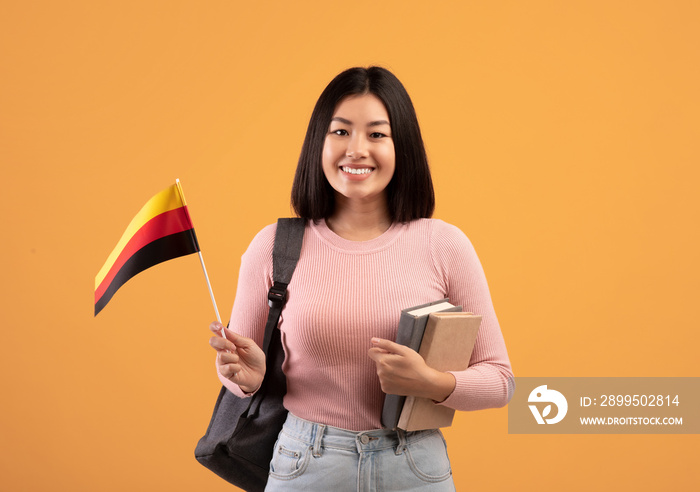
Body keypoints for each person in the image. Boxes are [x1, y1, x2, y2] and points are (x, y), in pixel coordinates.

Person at [208, 66, 513, 491]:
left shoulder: (444, 245)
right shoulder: (273, 246)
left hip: (414, 465)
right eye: (340, 131)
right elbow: (240, 375)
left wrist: (431, 384)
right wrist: (247, 377)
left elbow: (500, 381)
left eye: (376, 134)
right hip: (305, 463)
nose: (356, 149)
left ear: (401, 145)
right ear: (319, 142)